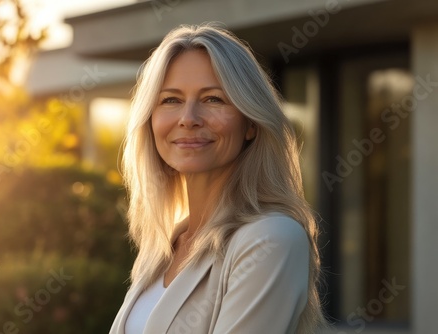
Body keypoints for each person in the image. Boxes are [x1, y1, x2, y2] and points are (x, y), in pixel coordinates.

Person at [110, 23, 328, 334]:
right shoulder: (165, 245)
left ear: (250, 123)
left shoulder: (271, 238)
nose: (188, 119)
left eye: (214, 99)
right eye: (170, 100)